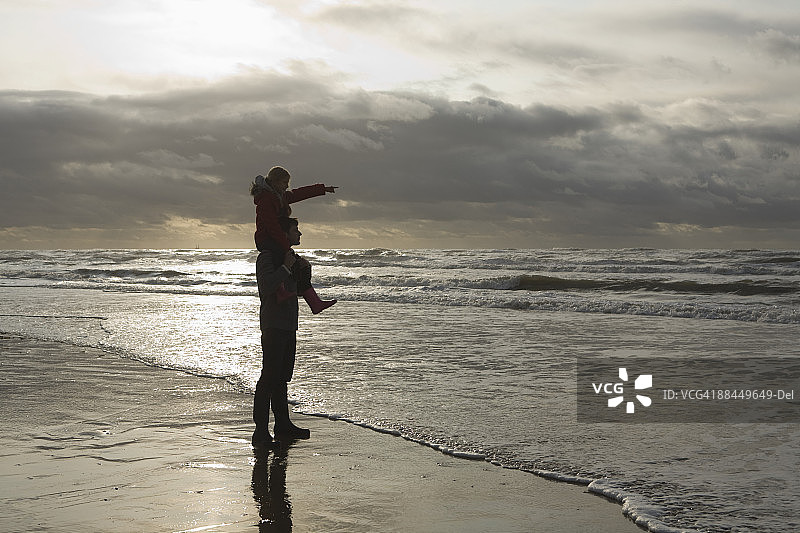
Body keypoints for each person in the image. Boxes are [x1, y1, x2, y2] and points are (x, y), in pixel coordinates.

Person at [252, 217, 312, 447]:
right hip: (273, 324)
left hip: (288, 323)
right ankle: (260, 431)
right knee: (269, 377)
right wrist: (286, 266)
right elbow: (266, 287)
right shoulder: (267, 257)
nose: (300, 233)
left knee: (282, 377)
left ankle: (283, 425)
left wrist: (303, 270)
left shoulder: (289, 258)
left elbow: (294, 291)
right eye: (296, 229)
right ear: (284, 233)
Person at [250, 166, 337, 314]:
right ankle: (281, 291)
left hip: (277, 238)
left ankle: (315, 303)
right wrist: (286, 247)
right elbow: (272, 227)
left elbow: (299, 194)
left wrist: (322, 189)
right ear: (275, 182)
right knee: (283, 260)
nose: (287, 186)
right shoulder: (266, 199)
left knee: (300, 266)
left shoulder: (280, 196)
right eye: (284, 182)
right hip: (267, 240)